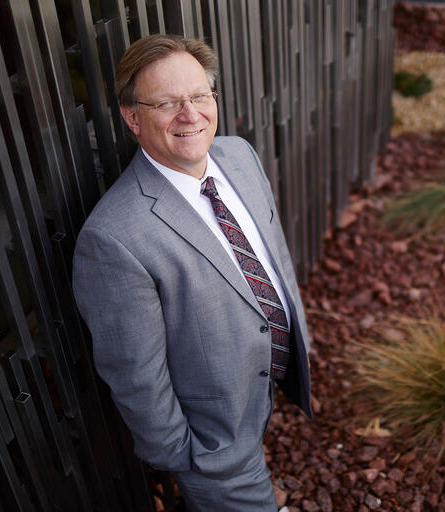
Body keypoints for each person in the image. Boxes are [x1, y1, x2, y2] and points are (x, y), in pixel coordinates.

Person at [72, 34, 312, 511]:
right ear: (132, 117)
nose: (191, 114)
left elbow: (273, 255)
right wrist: (187, 457)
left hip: (261, 381)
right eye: (167, 103)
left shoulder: (239, 156)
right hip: (213, 440)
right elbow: (136, 375)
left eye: (200, 95)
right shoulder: (114, 238)